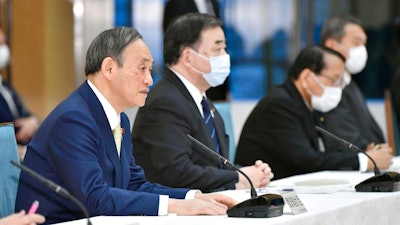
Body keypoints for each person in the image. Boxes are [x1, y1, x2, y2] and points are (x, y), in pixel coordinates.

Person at [15, 27, 237, 225]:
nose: (149, 80)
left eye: (150, 70)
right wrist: (175, 206)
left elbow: (134, 184)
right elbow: (95, 198)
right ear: (110, 68)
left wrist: (192, 197)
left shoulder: (119, 119)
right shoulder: (73, 120)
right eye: (142, 68)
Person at [132, 13, 273, 192]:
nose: (225, 55)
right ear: (188, 57)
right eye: (217, 49)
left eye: (225, 48)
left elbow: (216, 166)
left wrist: (250, 174)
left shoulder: (204, 103)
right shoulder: (165, 102)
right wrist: (238, 177)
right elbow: (176, 173)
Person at [234, 45, 393, 180]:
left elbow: (326, 152)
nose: (338, 88)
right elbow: (307, 161)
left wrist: (364, 153)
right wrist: (364, 161)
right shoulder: (280, 104)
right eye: (334, 80)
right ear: (307, 77)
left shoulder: (308, 104)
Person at [320, 15, 387, 151]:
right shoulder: (326, 89)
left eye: (364, 44)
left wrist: (381, 150)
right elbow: (343, 141)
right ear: (332, 45)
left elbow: (373, 132)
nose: (362, 50)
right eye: (356, 43)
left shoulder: (350, 84)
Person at [163, 0, 229, 101]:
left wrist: (226, 90)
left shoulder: (214, 4)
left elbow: (219, 44)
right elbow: (173, 44)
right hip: (189, 80)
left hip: (214, 90)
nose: (224, 55)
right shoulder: (176, 4)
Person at [0, 29, 40, 161]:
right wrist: (15, 151)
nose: (4, 50)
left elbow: (25, 113)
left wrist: (33, 122)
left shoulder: (6, 87)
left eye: (4, 44)